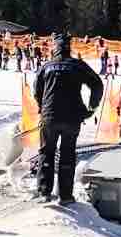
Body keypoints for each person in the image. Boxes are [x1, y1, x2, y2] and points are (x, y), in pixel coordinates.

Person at [34, 33, 103, 205]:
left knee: (46, 153)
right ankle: (65, 196)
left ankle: (44, 192)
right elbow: (97, 84)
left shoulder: (46, 66)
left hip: (49, 116)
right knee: (67, 154)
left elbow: (36, 90)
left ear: (54, 48)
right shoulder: (77, 65)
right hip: (72, 117)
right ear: (68, 48)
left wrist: (42, 108)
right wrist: (91, 107)